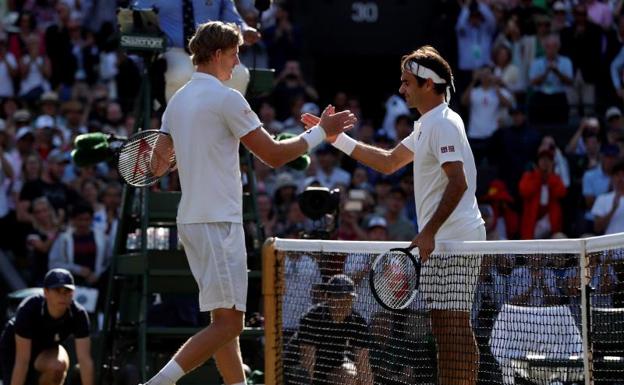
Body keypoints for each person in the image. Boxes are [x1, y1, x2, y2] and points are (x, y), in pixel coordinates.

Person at [144, 21, 356, 385]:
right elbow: (273, 155)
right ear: (216, 55)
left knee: (222, 323)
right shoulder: (227, 98)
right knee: (231, 323)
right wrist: (322, 132)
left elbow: (155, 165)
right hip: (217, 224)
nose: (237, 62)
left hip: (193, 225)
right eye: (233, 54)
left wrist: (190, 149)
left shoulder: (176, 101)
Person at [302, 45, 486, 385]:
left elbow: (458, 183)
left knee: (454, 325)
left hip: (456, 237)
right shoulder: (428, 124)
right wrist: (336, 139)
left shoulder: (443, 123)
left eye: (406, 82)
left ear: (428, 84)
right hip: (442, 238)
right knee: (443, 325)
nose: (401, 89)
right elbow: (388, 162)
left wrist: (428, 231)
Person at [0, 268, 93, 385]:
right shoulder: (28, 309)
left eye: (67, 291)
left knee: (58, 367)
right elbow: (22, 361)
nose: (62, 296)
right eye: (57, 290)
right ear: (46, 292)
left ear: (73, 294)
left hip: (46, 350)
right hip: (14, 349)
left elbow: (85, 360)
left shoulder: (79, 314)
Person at [298, 274, 373, 385]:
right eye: (339, 298)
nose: (344, 304)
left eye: (348, 299)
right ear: (328, 297)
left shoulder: (358, 323)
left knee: (349, 378)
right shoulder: (311, 319)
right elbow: (307, 363)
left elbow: (363, 364)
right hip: (301, 368)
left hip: (335, 368)